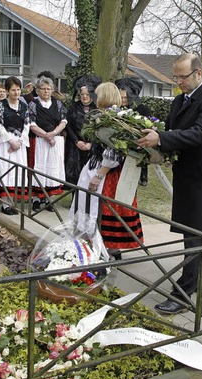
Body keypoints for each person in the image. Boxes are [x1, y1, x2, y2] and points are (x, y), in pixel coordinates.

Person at [137, 53, 202, 315]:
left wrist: (161, 138)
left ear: (198, 73)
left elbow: (199, 133)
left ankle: (183, 295)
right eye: (175, 76)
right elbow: (172, 130)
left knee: (195, 237)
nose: (178, 82)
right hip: (187, 176)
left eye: (182, 77)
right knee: (193, 234)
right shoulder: (180, 100)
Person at [70, 82, 144, 254]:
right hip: (98, 164)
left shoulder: (114, 118)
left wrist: (99, 175)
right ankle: (97, 247)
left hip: (107, 171)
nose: (94, 98)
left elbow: (114, 150)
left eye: (97, 95)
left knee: (105, 209)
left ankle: (107, 249)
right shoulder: (108, 115)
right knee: (90, 206)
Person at [27, 76, 67, 212]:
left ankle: (49, 198)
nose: (46, 91)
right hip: (39, 141)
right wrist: (46, 136)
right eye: (43, 89)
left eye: (48, 89)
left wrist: (53, 134)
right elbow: (31, 124)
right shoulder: (33, 104)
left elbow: (63, 121)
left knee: (52, 168)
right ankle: (36, 199)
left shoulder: (58, 104)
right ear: (37, 90)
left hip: (56, 141)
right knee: (39, 168)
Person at [0, 76, 28, 215]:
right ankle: (5, 204)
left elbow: (28, 124)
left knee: (17, 172)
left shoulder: (24, 106)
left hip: (19, 144)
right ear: (7, 91)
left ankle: (14, 203)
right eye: (13, 90)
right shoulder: (1, 105)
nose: (16, 93)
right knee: (6, 170)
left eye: (18, 90)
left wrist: (19, 141)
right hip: (5, 144)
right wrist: (10, 140)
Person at [116, 77, 152, 186]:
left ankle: (143, 176)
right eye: (120, 97)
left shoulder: (143, 110)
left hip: (138, 144)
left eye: (126, 98)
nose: (123, 100)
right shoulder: (116, 109)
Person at [65, 75, 100, 186]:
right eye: (82, 94)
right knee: (74, 173)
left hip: (91, 147)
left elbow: (98, 129)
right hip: (75, 146)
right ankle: (74, 199)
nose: (84, 97)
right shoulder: (73, 107)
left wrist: (91, 143)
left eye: (87, 94)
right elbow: (68, 126)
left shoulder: (97, 109)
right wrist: (76, 141)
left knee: (89, 173)